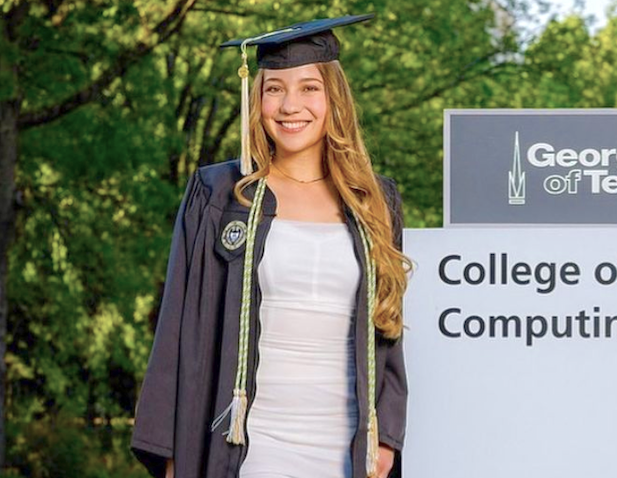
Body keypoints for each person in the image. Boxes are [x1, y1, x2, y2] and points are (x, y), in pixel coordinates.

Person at [130, 14, 409, 478]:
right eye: (274, 89)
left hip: (345, 447)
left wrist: (387, 437)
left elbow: (390, 323)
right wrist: (171, 452)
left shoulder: (375, 201)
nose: (289, 105)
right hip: (246, 445)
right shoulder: (220, 194)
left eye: (308, 88)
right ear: (255, 98)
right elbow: (177, 325)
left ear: (333, 98)